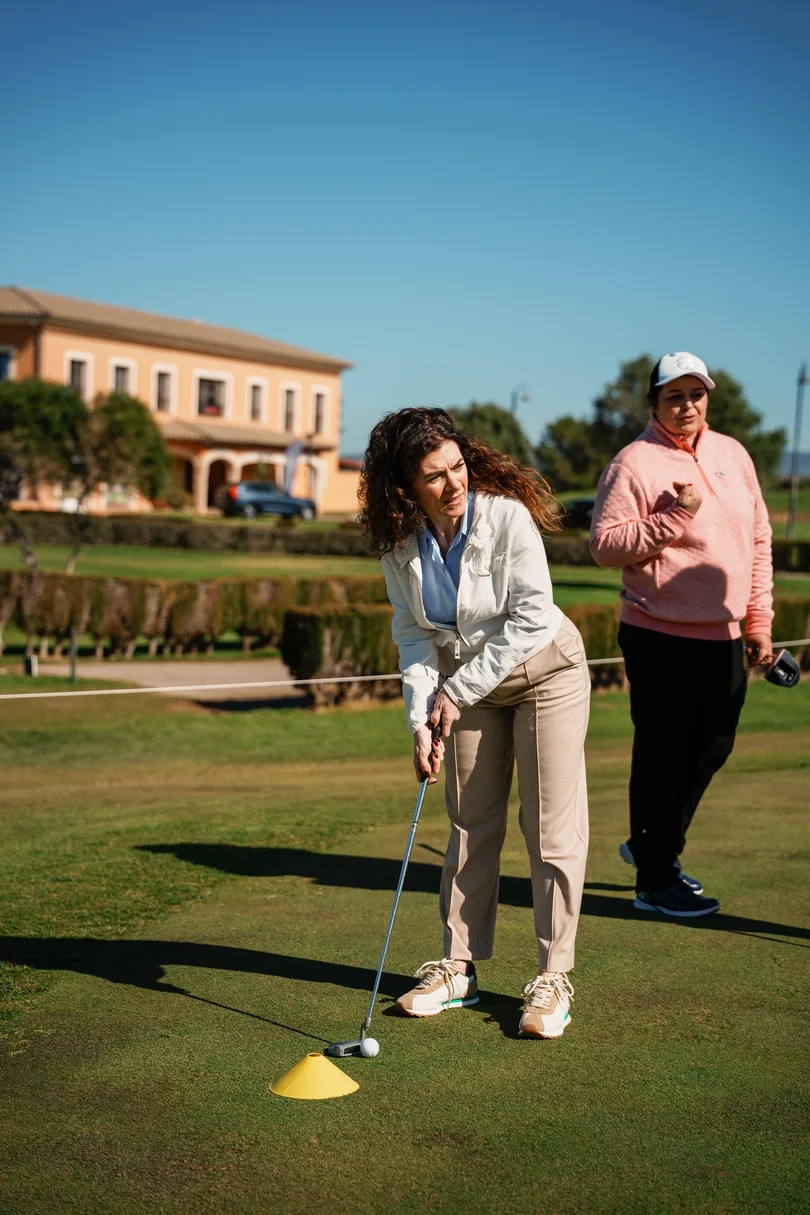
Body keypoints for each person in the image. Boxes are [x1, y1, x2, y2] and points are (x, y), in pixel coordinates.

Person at [358, 407, 590, 1039]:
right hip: (471, 689)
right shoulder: (399, 547)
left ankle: (553, 978)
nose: (454, 484)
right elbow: (412, 638)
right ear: (405, 486)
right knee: (468, 823)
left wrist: (453, 693)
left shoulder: (506, 517)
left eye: (458, 466)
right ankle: (457, 967)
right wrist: (418, 720)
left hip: (547, 673)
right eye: (435, 476)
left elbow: (532, 617)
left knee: (550, 828)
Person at [590, 352, 774, 918]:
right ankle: (654, 877)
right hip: (657, 632)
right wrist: (672, 518)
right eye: (675, 395)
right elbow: (604, 545)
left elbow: (758, 540)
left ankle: (655, 845)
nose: (687, 405)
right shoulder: (633, 462)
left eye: (696, 394)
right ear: (654, 403)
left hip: (721, 633)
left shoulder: (733, 455)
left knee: (715, 745)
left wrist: (758, 619)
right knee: (661, 755)